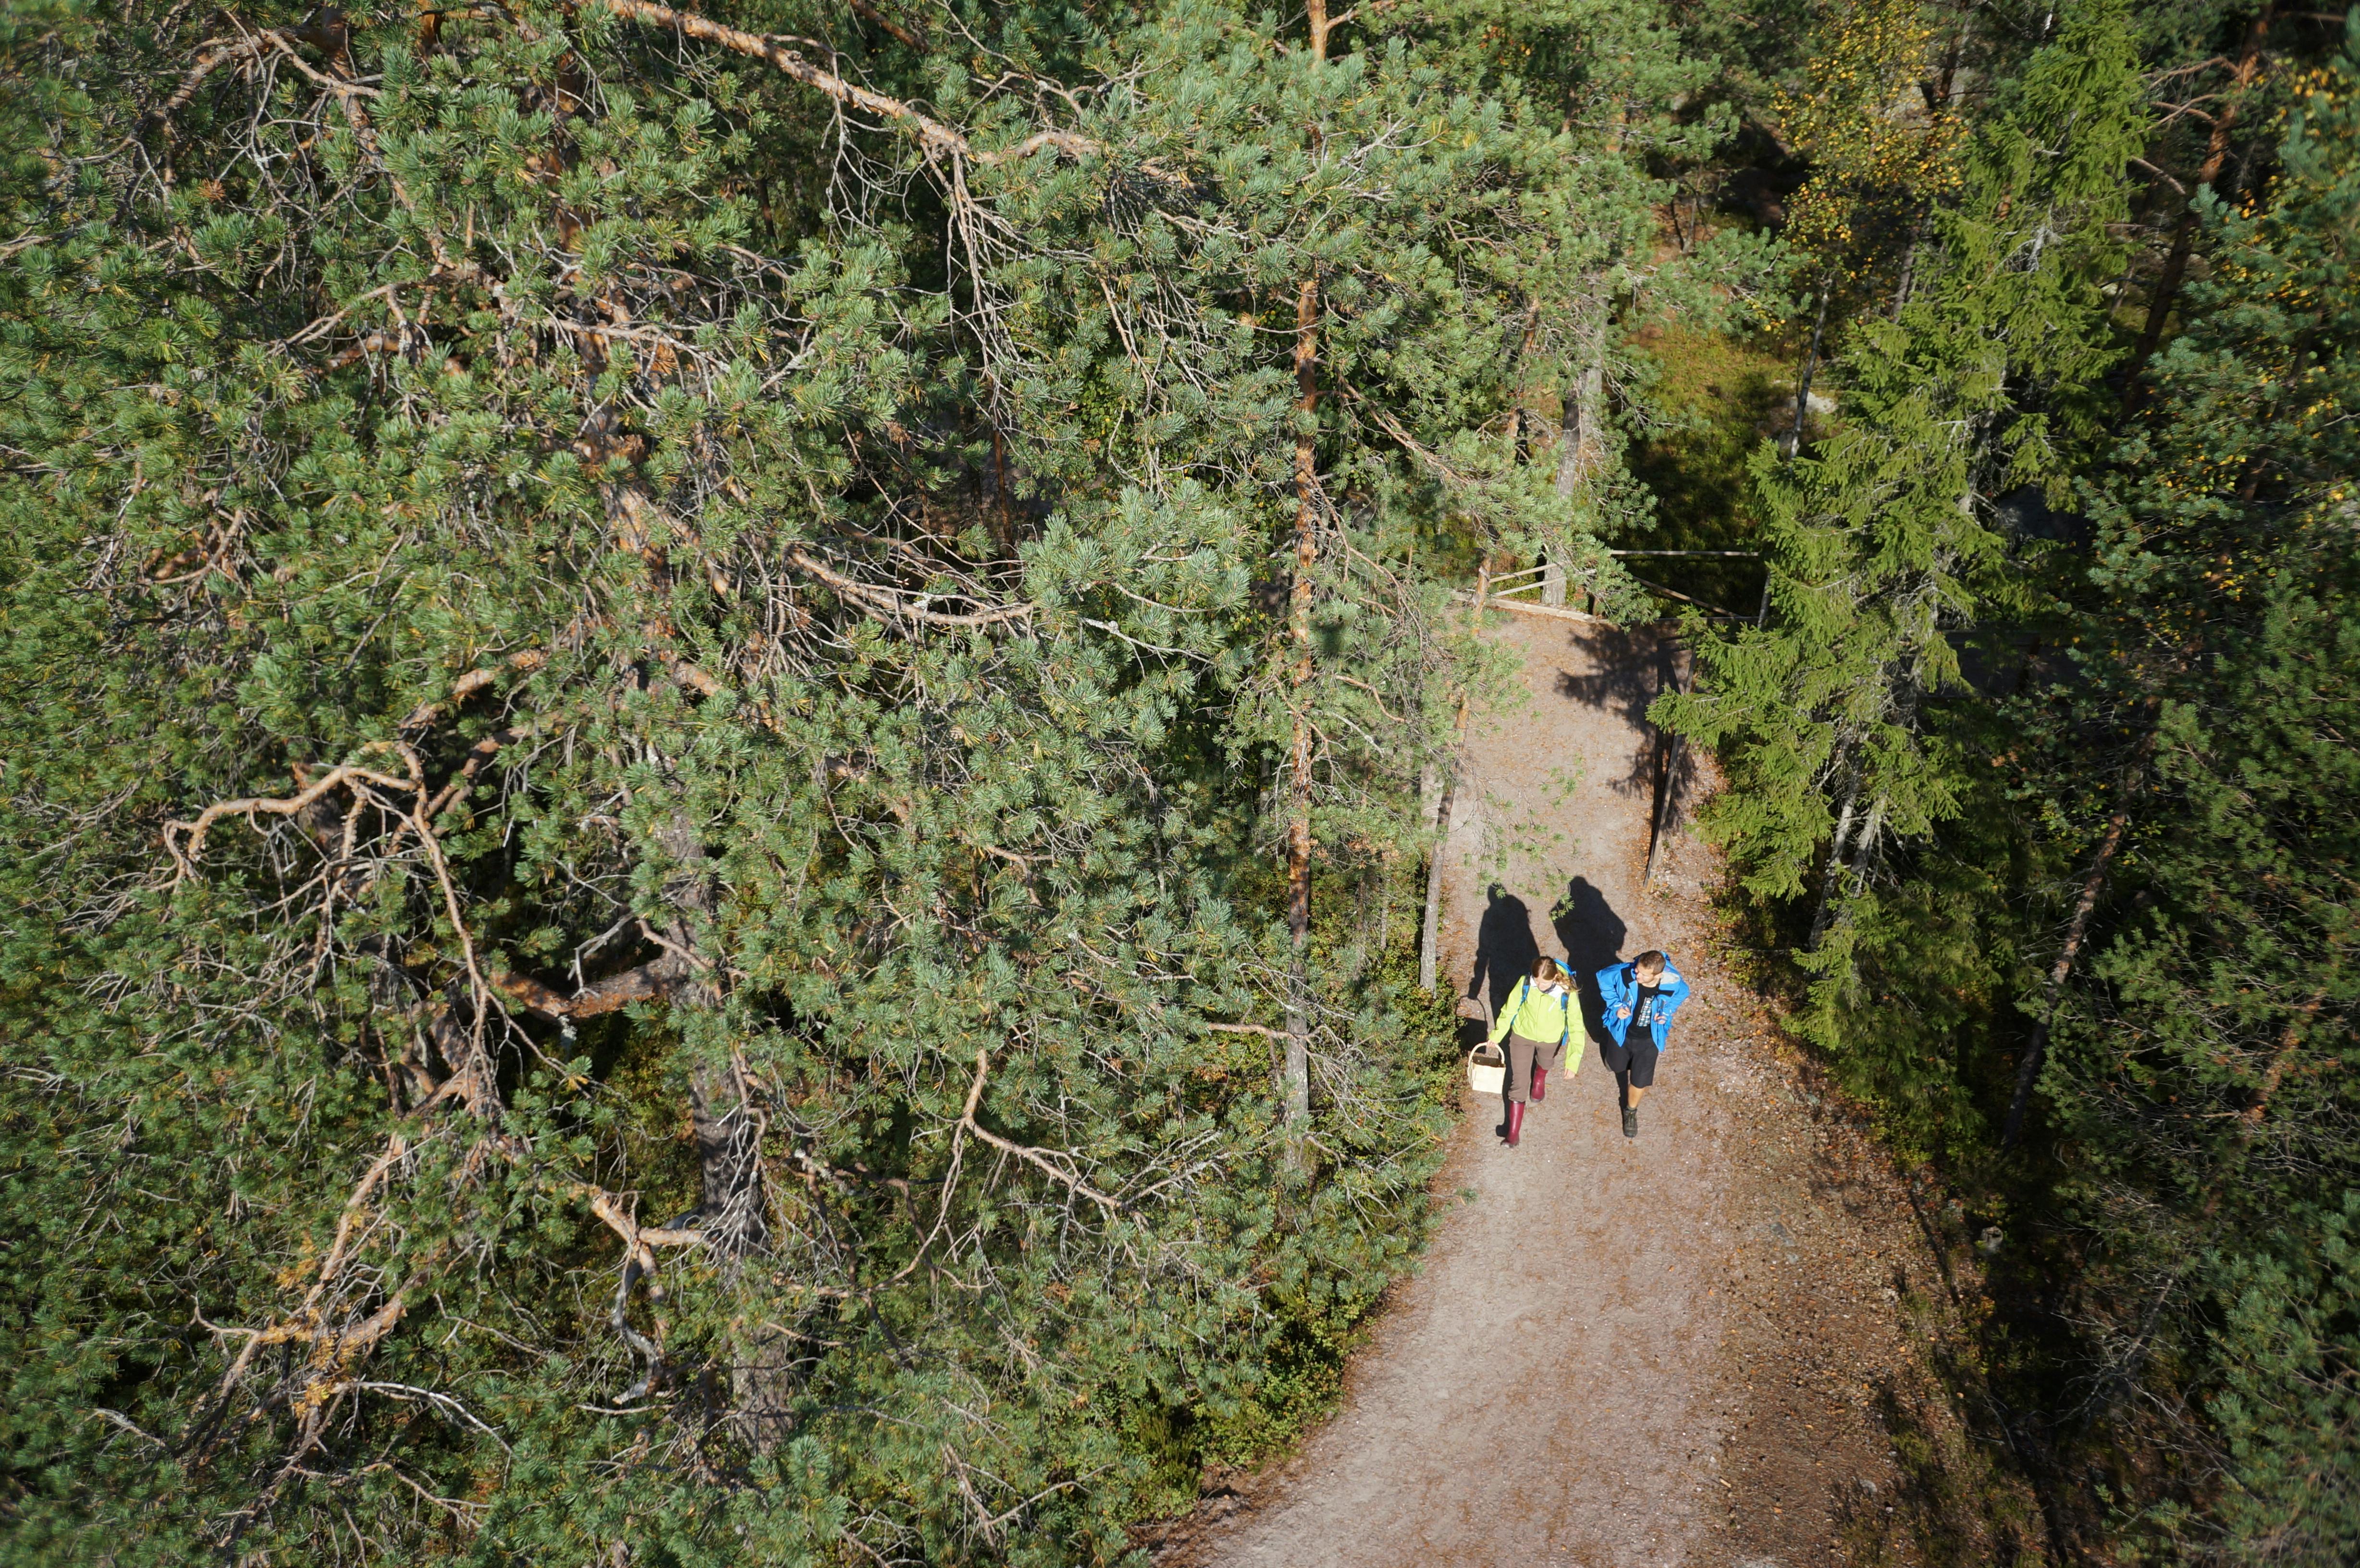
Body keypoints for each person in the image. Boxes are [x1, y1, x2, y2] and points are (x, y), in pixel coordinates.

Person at [1596, 948, 1689, 1139]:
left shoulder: (1673, 983)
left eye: (1644, 975)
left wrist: (1667, 1012)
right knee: (1616, 1066)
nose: (1637, 975)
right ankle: (1615, 1058)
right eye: (1638, 971)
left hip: (1650, 1039)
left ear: (1659, 975)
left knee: (1639, 1081)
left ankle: (1630, 1111)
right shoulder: (1624, 973)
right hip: (1622, 1032)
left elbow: (1683, 993)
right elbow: (1603, 978)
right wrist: (1615, 1005)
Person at [1485, 956, 1577, 1148]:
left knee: (1545, 1062)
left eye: (1544, 982)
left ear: (1555, 978)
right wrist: (1497, 1035)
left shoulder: (1567, 992)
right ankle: (1513, 1135)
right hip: (1522, 1036)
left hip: (1550, 1039)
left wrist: (1572, 1062)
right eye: (1536, 981)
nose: (1539, 985)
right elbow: (1509, 1010)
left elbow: (1577, 1026)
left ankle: (1539, 1079)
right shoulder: (1526, 983)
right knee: (1518, 1083)